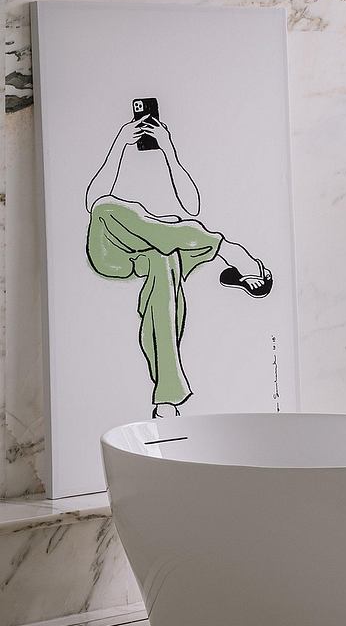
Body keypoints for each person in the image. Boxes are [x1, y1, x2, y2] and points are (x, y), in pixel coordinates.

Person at [85, 112, 272, 418]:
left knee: (164, 260)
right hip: (112, 249)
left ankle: (166, 399)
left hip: (159, 252)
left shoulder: (167, 163)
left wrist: (167, 148)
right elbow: (93, 205)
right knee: (108, 208)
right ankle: (229, 251)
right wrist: (120, 143)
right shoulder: (120, 157)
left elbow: (192, 207)